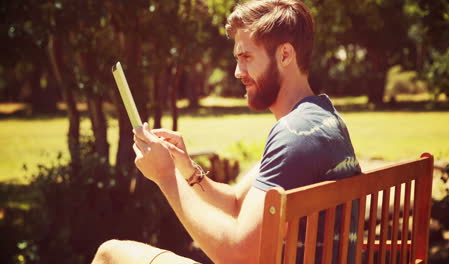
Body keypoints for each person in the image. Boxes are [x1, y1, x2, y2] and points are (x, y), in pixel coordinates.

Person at [91, 0, 361, 263]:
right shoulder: (324, 120)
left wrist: (166, 177)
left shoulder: (294, 136)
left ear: (285, 55)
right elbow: (235, 202)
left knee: (110, 253)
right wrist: (187, 170)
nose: (237, 71)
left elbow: (238, 256)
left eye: (246, 57)